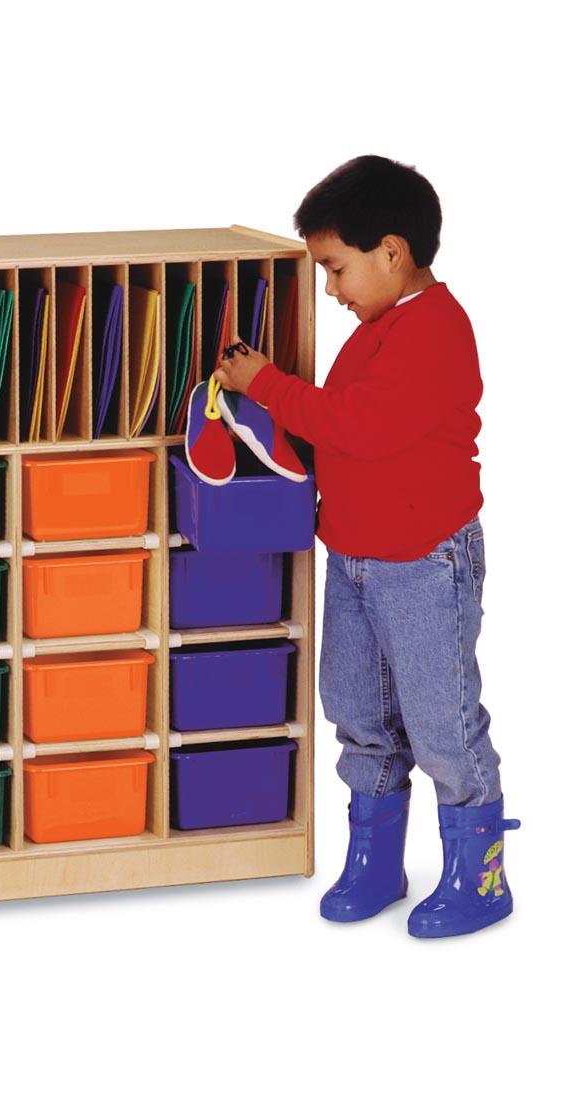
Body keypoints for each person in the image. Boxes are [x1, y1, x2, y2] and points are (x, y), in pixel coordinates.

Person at [212, 154, 520, 938]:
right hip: (352, 556)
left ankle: (479, 874)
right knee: (356, 709)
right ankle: (376, 861)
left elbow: (360, 427)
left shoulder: (436, 330)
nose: (330, 288)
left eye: (335, 267)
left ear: (393, 251)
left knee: (442, 718)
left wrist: (268, 385)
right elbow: (336, 431)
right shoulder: (375, 330)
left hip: (423, 560)